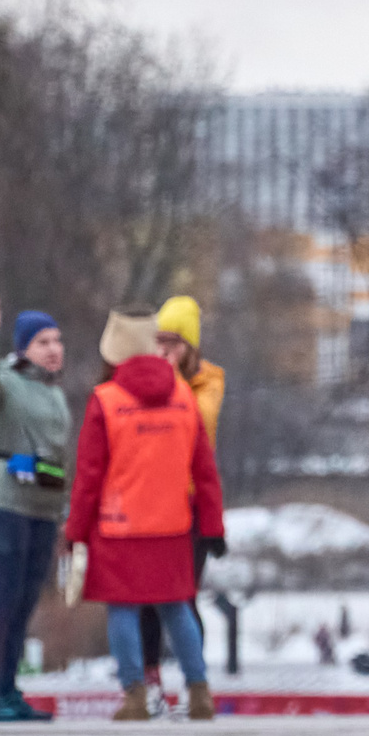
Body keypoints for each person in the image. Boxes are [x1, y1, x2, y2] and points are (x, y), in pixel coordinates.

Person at [63, 308, 228, 722]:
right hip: (173, 523)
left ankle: (135, 695)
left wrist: (75, 531)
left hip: (117, 526)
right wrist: (212, 525)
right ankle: (199, 691)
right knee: (177, 607)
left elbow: (88, 475)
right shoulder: (184, 397)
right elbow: (204, 472)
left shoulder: (106, 400)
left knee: (123, 610)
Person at [0, 294, 70, 722]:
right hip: (2, 499)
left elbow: (59, 461)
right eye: (43, 341)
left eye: (57, 341)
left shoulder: (56, 395)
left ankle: (8, 689)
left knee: (25, 601)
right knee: (4, 595)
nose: (53, 349)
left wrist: (65, 516)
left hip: (42, 506)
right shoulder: (5, 381)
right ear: (24, 347)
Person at [138, 295, 226, 693]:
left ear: (190, 346)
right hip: (149, 502)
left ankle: (195, 682)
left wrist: (164, 380)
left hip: (189, 505)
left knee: (183, 596)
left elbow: (196, 419)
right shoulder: (147, 379)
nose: (164, 351)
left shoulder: (209, 382)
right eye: (158, 341)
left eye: (173, 342)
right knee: (146, 597)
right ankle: (149, 677)